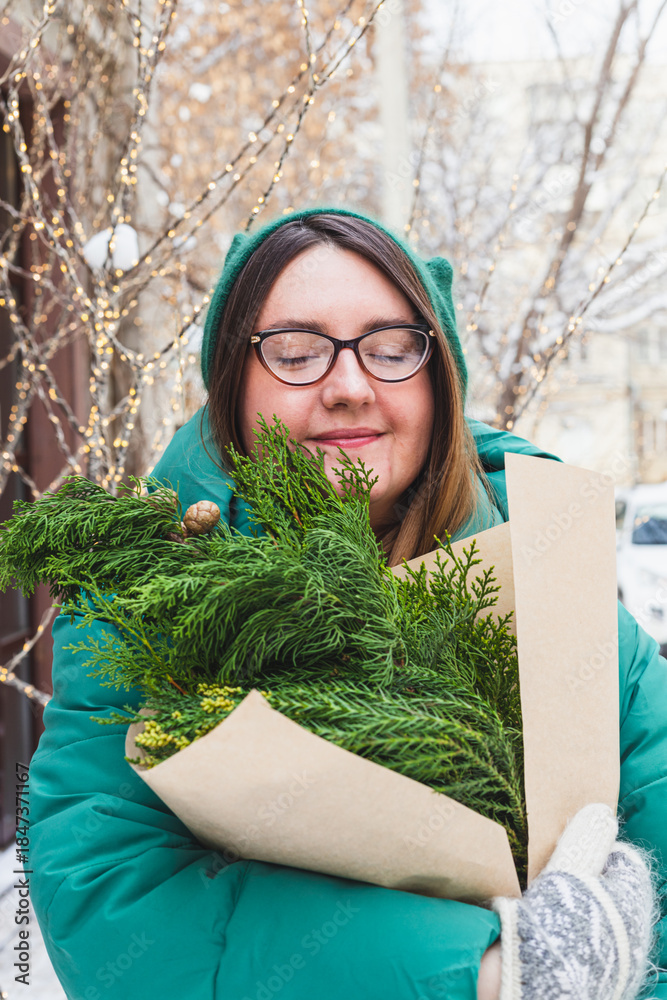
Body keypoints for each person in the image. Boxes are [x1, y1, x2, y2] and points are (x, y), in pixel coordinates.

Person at [29, 208, 665, 1000]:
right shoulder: (148, 601)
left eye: (391, 349)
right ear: (233, 386)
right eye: (295, 353)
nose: (350, 386)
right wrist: (485, 972)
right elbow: (105, 892)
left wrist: (623, 942)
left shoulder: (546, 580)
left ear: (439, 381)